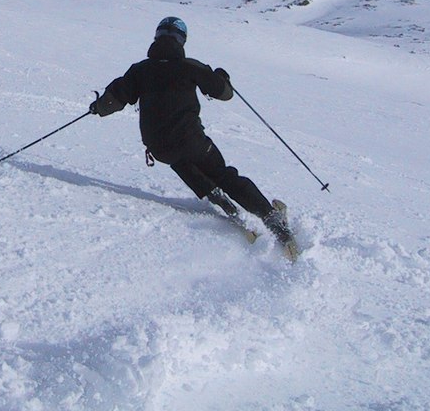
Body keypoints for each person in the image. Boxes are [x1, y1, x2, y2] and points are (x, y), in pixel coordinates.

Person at [89, 16, 298, 258]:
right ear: (182, 40)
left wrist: (98, 107)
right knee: (223, 173)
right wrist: (222, 78)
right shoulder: (190, 66)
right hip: (191, 140)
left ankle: (223, 203)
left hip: (158, 147)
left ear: (157, 38)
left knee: (180, 162)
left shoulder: (139, 70)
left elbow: (115, 97)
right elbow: (224, 94)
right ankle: (272, 220)